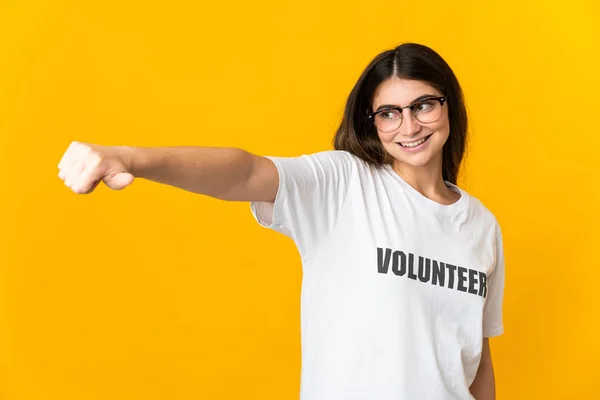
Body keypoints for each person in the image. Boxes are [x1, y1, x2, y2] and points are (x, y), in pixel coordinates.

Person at [57, 42, 505, 400]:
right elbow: (247, 170)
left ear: (449, 105)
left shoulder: (481, 225)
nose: (408, 126)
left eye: (424, 105)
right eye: (389, 113)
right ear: (372, 122)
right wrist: (130, 158)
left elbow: (476, 356)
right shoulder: (346, 183)